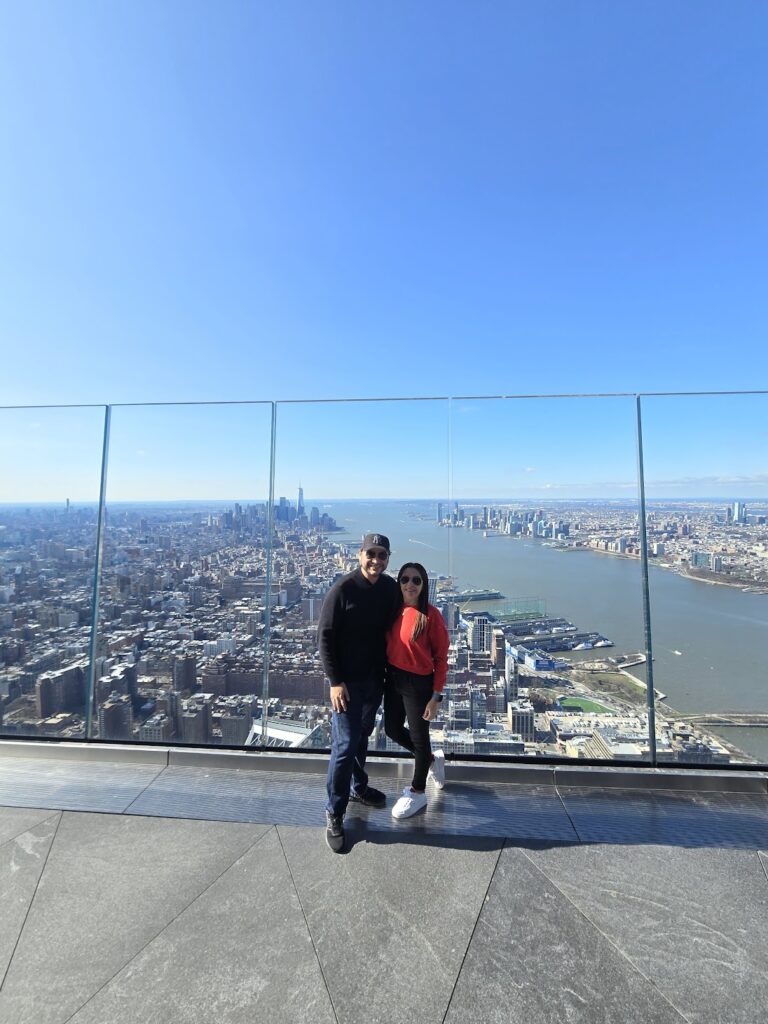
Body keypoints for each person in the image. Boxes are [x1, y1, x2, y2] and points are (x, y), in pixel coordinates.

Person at [317, 533, 399, 853]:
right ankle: (334, 812)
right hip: (347, 685)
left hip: (374, 681)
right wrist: (335, 681)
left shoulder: (390, 588)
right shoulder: (342, 590)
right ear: (359, 554)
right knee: (345, 745)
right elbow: (324, 638)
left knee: (362, 736)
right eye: (371, 554)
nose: (376, 560)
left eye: (382, 555)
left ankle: (358, 787)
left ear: (388, 558)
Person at [385, 561, 450, 819]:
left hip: (419, 683)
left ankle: (418, 791)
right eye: (405, 579)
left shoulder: (431, 616)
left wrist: (435, 697)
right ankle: (431, 760)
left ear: (424, 585)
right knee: (392, 729)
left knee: (420, 738)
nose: (410, 584)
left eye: (416, 580)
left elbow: (441, 660)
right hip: (393, 678)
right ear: (398, 583)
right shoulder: (393, 611)